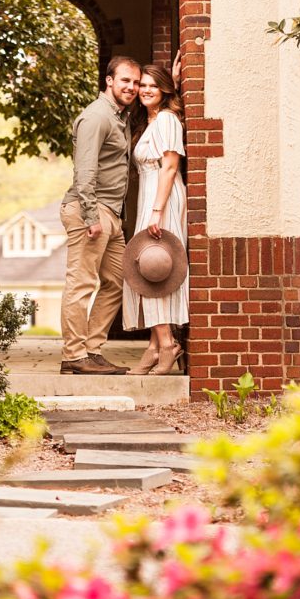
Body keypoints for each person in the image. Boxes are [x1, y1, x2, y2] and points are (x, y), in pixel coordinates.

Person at [59, 56, 142, 375]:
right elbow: (85, 171)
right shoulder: (96, 117)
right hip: (88, 210)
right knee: (81, 283)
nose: (131, 87)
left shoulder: (120, 116)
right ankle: (73, 356)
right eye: (125, 81)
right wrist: (92, 216)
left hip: (110, 214)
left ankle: (91, 349)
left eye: (135, 82)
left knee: (118, 279)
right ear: (109, 81)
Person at [123, 60, 189, 375]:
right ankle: (153, 346)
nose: (146, 90)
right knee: (149, 268)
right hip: (152, 198)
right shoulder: (150, 120)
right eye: (143, 85)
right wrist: (171, 79)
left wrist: (157, 210)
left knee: (154, 269)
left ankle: (167, 346)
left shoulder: (165, 120)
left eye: (154, 85)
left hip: (162, 198)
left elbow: (170, 166)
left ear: (164, 91)